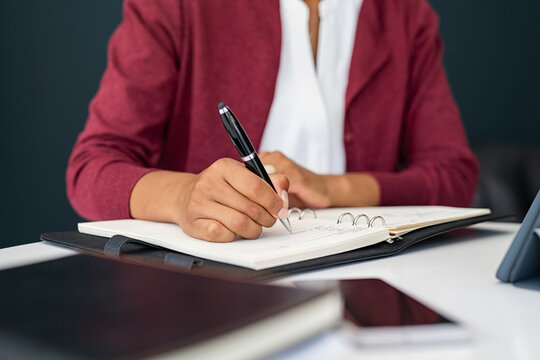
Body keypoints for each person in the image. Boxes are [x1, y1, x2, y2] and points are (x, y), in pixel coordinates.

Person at [66, 0, 478, 243]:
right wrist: (183, 196)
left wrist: (332, 188)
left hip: (369, 290)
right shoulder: (179, 7)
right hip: (210, 296)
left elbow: (454, 176)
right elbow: (92, 168)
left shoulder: (405, 15)